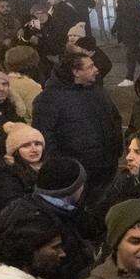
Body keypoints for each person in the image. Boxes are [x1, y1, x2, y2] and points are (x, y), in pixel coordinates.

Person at [31, 50, 122, 198]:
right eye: (91, 67)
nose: (97, 70)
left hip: (108, 165)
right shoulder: (48, 99)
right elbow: (45, 137)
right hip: (78, 173)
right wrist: (64, 168)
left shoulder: (97, 90)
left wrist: (117, 149)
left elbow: (115, 119)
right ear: (76, 72)